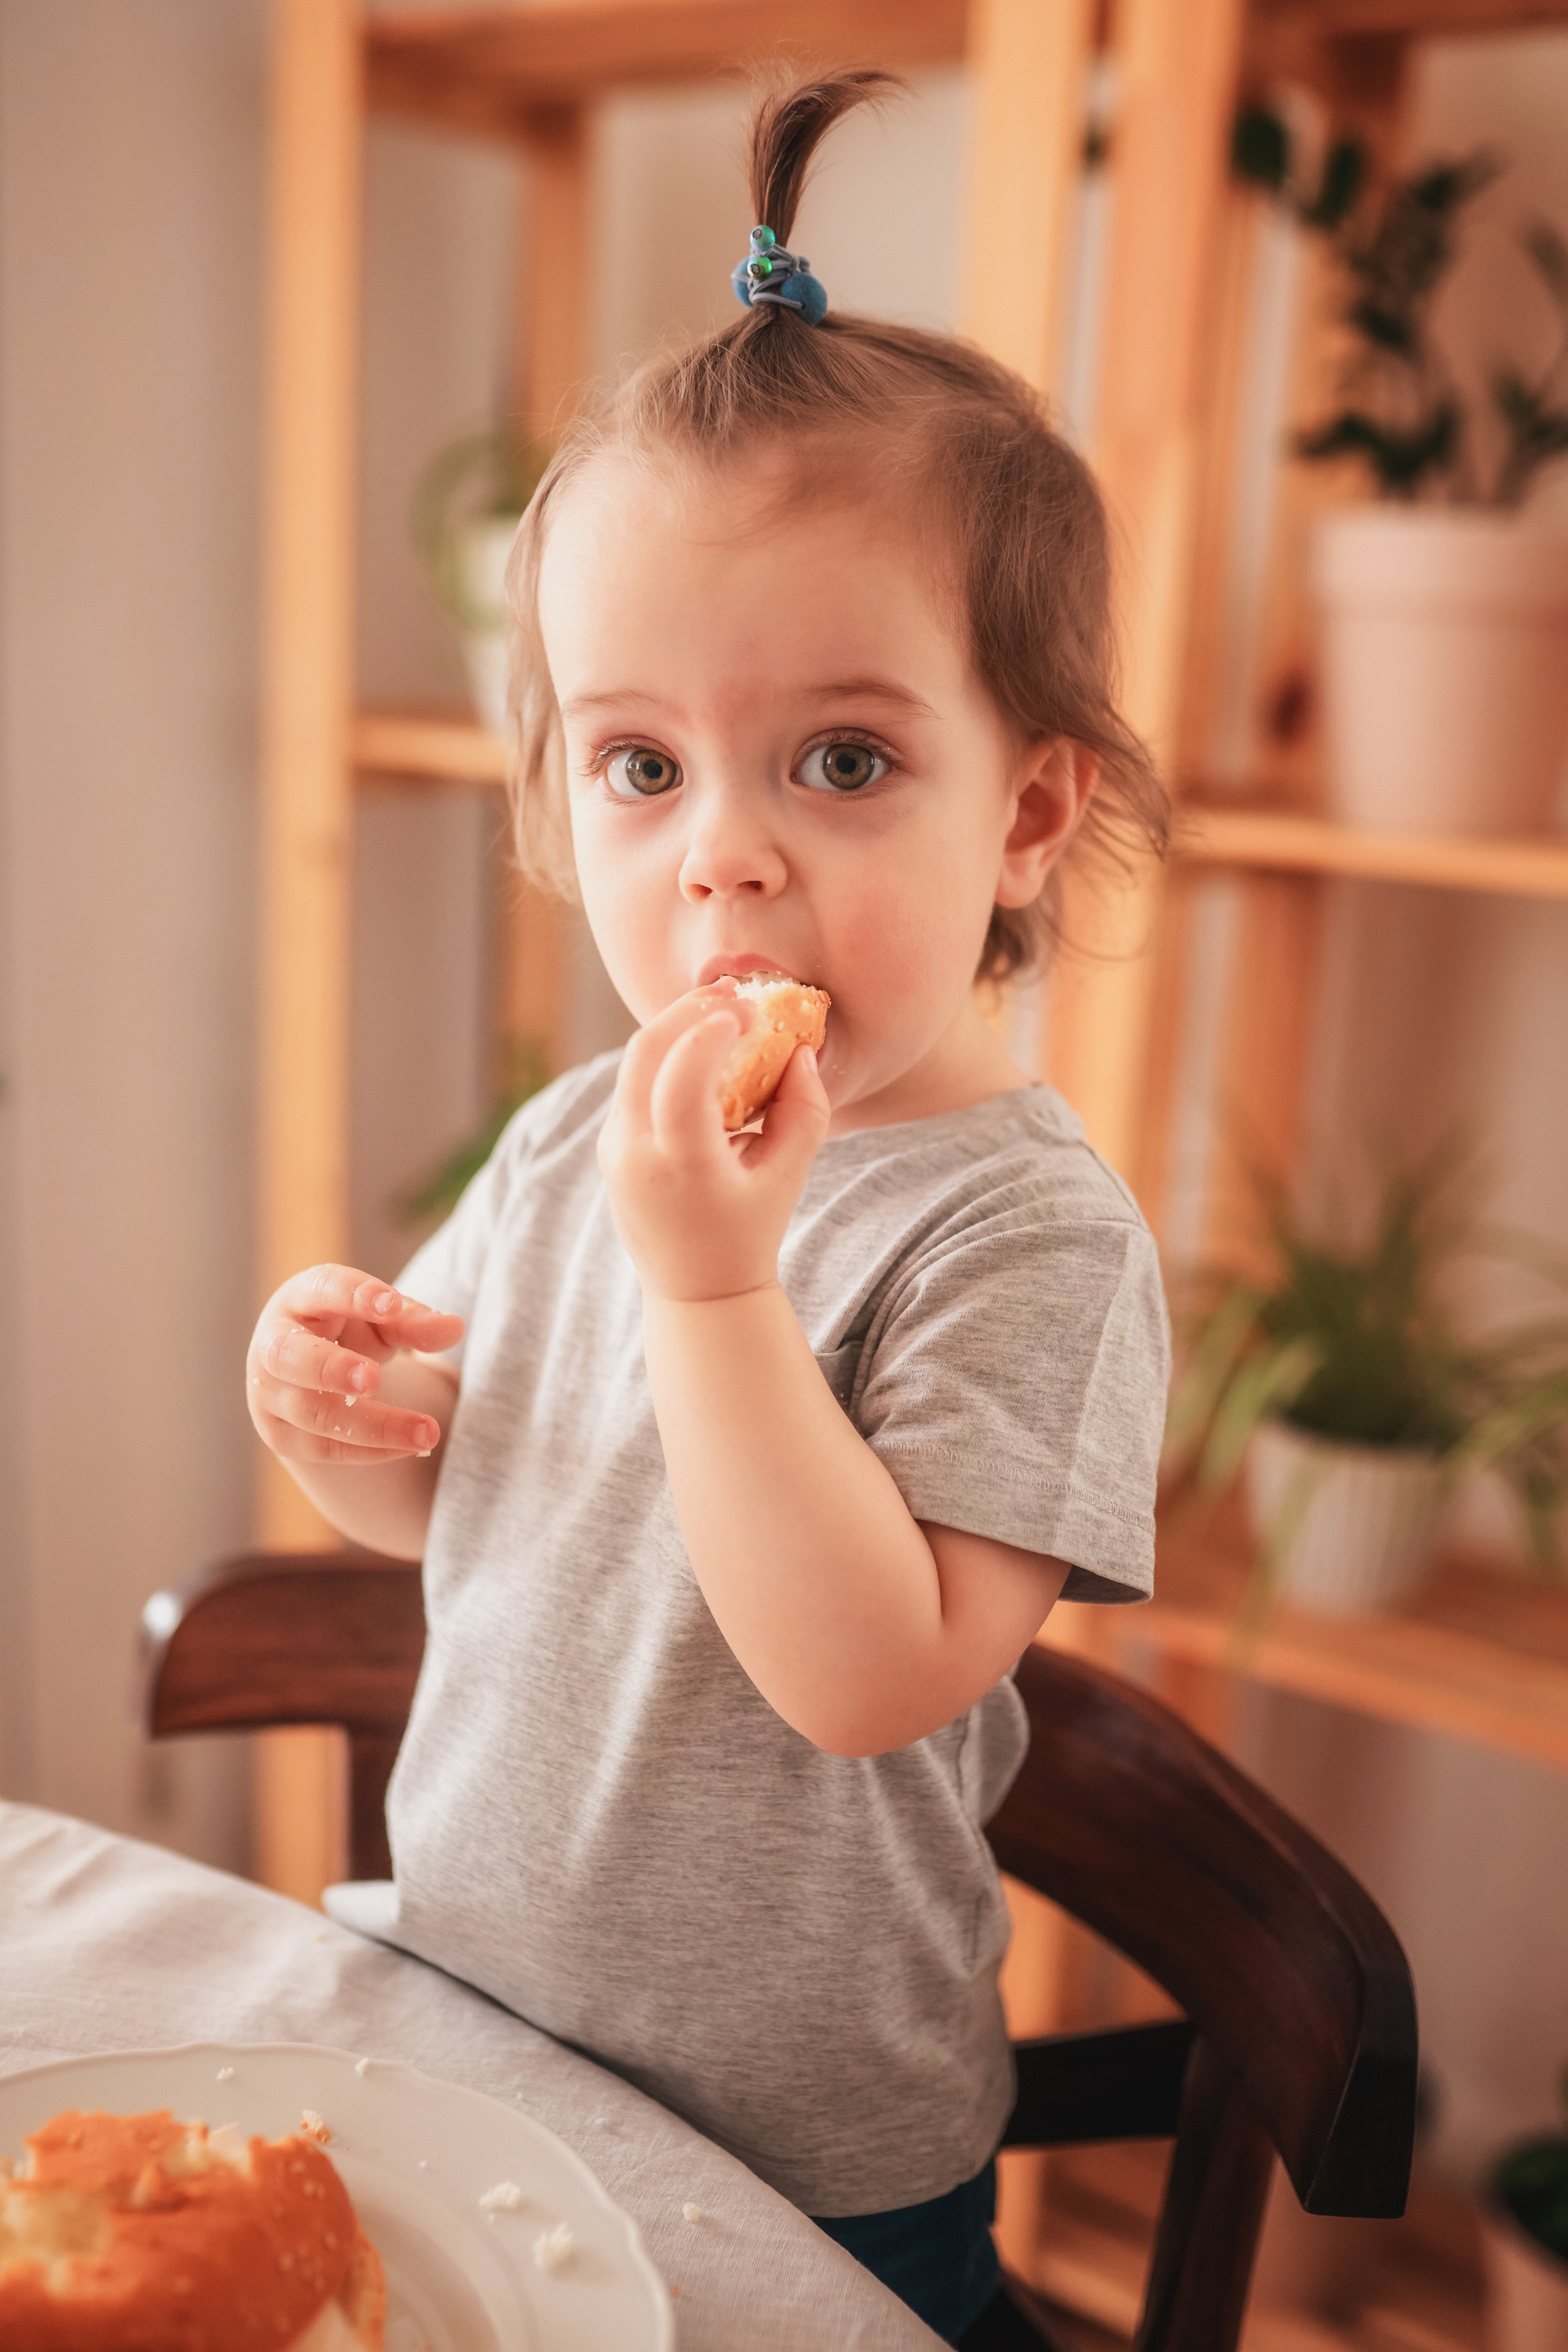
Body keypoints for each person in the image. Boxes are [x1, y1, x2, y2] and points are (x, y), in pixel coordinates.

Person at [246, 70, 1170, 2347]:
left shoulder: (1022, 1243)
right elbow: (450, 1505)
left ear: (1030, 807)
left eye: (840, 762)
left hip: (807, 2168)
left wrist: (715, 1282)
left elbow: (867, 1678)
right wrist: (338, 1413)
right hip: (480, 2035)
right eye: (642, 764)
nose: (723, 857)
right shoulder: (586, 1137)